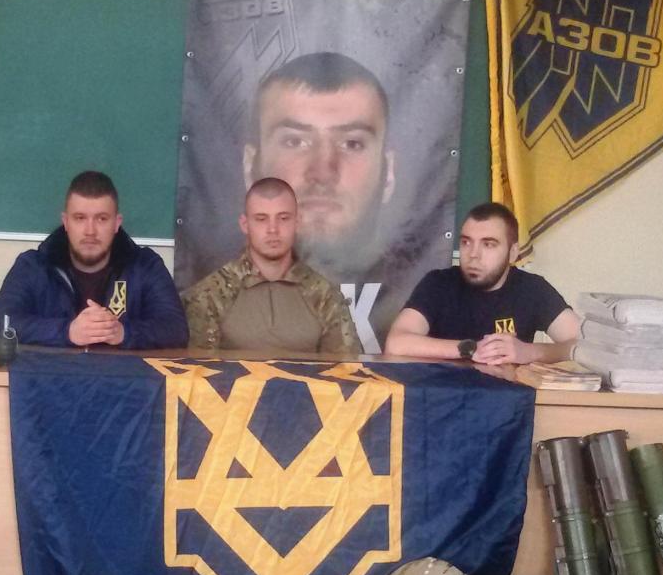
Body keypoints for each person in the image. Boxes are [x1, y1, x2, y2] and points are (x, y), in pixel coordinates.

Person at [243, 52, 395, 285]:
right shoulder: (205, 299)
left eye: (352, 144)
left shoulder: (424, 297)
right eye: (294, 142)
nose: (323, 174)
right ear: (249, 168)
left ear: (389, 175)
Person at [0, 171, 188, 349]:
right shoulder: (33, 265)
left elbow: (176, 329)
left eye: (101, 219)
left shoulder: (145, 265)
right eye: (80, 218)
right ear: (66, 222)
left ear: (116, 223)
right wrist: (67, 332)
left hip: (124, 377)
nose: (90, 231)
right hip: (53, 376)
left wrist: (123, 332)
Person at [384, 202, 580, 365]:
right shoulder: (438, 284)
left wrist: (530, 352)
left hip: (507, 398)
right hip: (443, 396)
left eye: (488, 244)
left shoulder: (532, 289)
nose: (474, 254)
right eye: (466, 242)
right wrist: (470, 349)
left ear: (512, 253)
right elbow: (396, 343)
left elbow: (583, 345)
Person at [182, 178, 359, 354]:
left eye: (283, 218)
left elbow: (345, 367)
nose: (273, 229)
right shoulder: (210, 295)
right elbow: (197, 368)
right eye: (261, 219)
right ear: (245, 225)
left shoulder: (325, 296)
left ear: (297, 222)